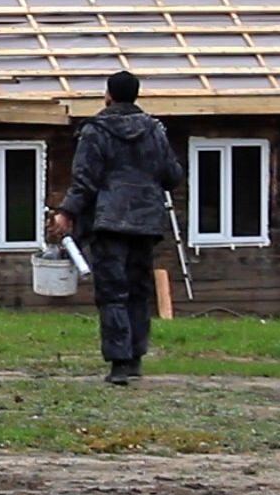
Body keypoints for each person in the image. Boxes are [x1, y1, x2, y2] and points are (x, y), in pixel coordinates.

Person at [49, 70, 184, 385]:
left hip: (109, 221)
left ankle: (119, 363)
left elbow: (85, 179)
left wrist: (67, 213)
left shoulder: (95, 131)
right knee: (139, 289)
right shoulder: (155, 131)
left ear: (108, 94)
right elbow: (172, 175)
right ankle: (136, 357)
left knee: (112, 291)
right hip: (147, 221)